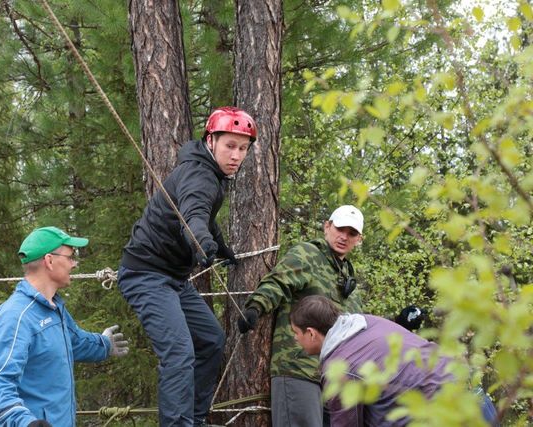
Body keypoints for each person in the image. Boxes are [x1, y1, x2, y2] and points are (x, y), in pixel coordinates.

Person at [117, 107, 257, 426]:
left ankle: (193, 418)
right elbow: (193, 216)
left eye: (243, 148)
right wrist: (201, 242)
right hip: (145, 274)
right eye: (230, 146)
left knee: (211, 339)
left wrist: (219, 246)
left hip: (173, 279)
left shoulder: (212, 173)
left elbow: (204, 215)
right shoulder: (200, 175)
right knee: (179, 352)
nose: (236, 155)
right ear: (211, 141)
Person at [0, 226, 129, 427]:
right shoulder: (15, 316)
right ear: (49, 261)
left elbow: (74, 341)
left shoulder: (53, 308)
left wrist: (105, 344)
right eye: (70, 257)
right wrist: (27, 423)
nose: (74, 264)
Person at [237, 204, 365, 427]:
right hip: (298, 369)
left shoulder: (350, 282)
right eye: (340, 229)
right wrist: (255, 307)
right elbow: (279, 282)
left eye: (351, 233)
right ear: (327, 227)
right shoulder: (308, 254)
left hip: (334, 380)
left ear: (359, 239)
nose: (344, 237)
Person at [289, 295, 499, 426]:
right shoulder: (369, 322)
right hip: (474, 397)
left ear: (311, 333)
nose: (295, 339)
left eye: (296, 333)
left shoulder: (338, 368)